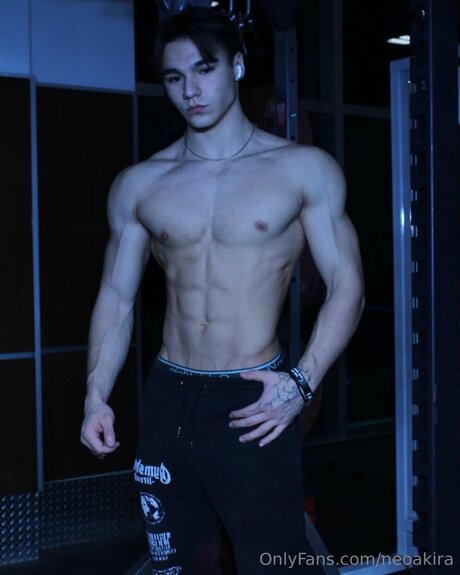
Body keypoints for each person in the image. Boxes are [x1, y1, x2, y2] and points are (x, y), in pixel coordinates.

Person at [80, 7, 364, 575]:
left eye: (204, 69)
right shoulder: (140, 184)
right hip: (167, 397)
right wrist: (95, 394)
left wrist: (301, 382)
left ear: (236, 65)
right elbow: (116, 298)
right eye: (174, 77)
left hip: (252, 399)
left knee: (275, 566)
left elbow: (347, 287)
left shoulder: (302, 170)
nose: (191, 90)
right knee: (176, 567)